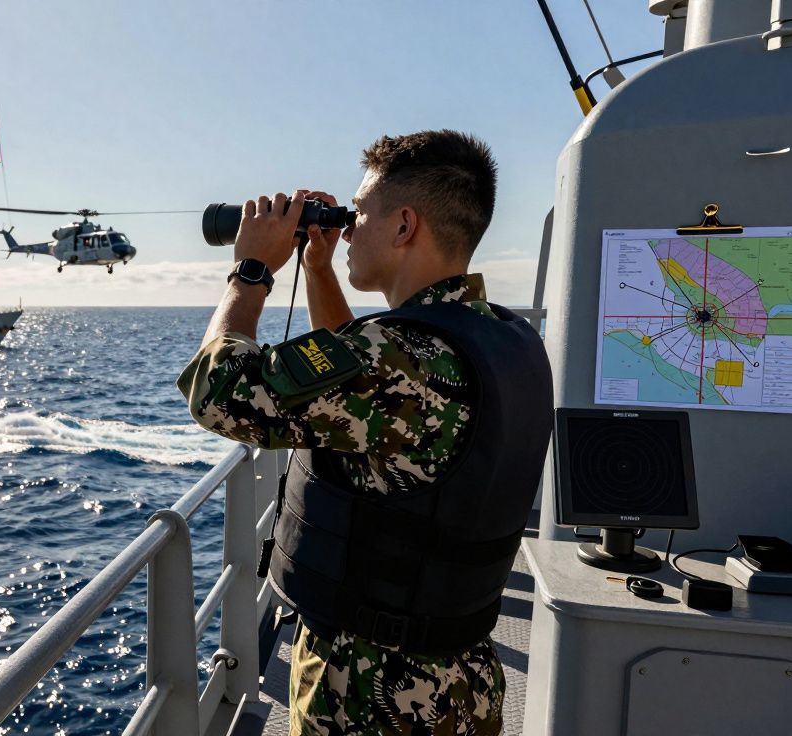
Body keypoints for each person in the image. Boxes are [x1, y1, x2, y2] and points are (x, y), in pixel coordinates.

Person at [177, 130, 552, 735]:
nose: (347, 229)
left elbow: (219, 395)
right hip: (463, 678)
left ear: (404, 226)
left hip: (372, 691)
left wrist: (250, 270)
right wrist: (319, 269)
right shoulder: (498, 336)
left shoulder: (403, 355)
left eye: (359, 214)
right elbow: (359, 385)